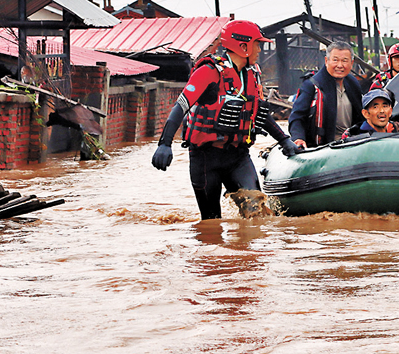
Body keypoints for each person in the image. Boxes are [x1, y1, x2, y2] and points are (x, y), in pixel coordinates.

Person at [151, 20, 299, 219]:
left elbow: (257, 112)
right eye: (257, 44)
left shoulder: (253, 74)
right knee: (211, 222)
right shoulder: (209, 71)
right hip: (205, 158)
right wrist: (165, 143)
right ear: (243, 46)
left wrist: (284, 140)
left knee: (256, 213)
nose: (259, 49)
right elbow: (181, 106)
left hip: (238, 157)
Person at [289, 41, 364, 148]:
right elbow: (297, 117)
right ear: (326, 61)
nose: (340, 65)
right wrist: (298, 138)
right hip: (323, 146)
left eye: (345, 61)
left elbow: (362, 115)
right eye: (335, 60)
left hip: (351, 143)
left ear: (351, 63)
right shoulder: (312, 85)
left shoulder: (353, 83)